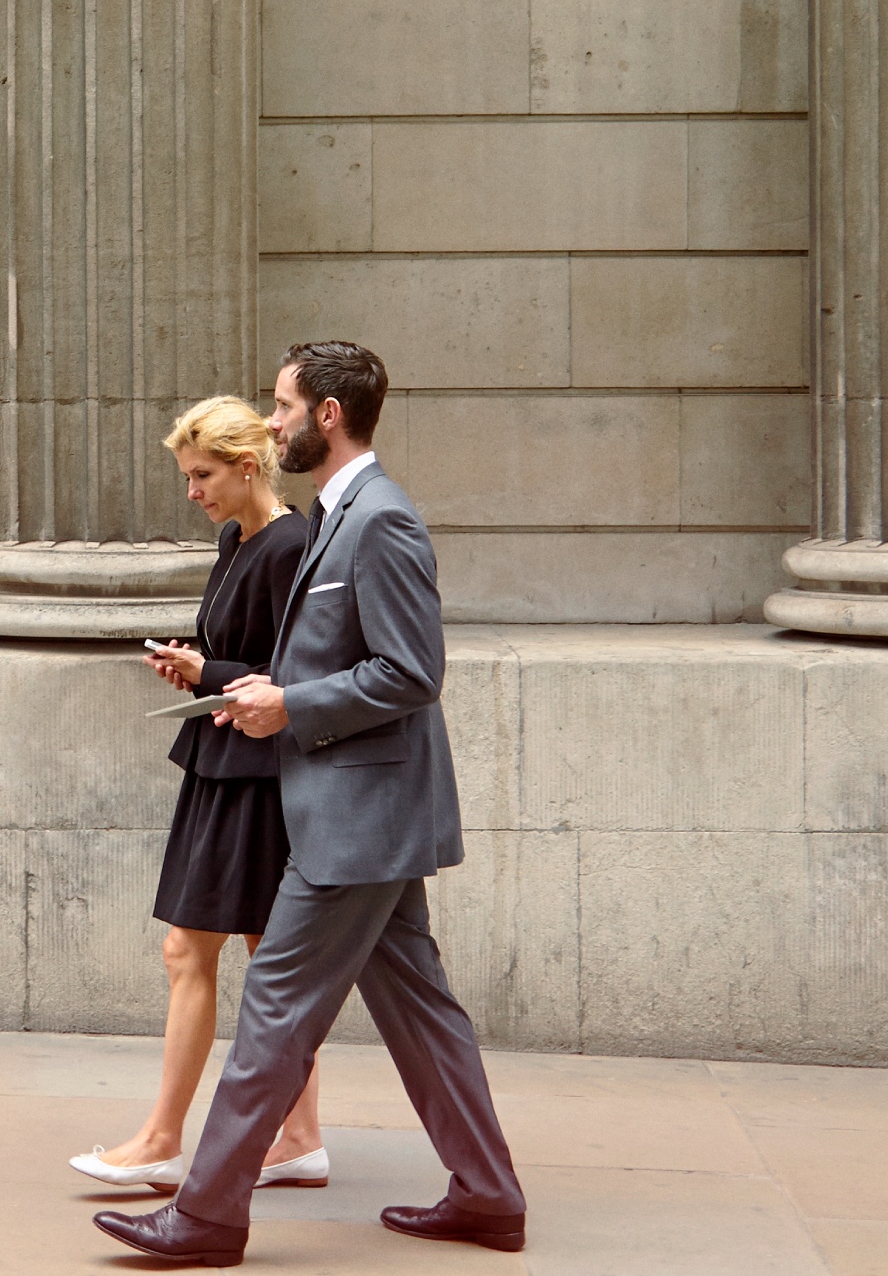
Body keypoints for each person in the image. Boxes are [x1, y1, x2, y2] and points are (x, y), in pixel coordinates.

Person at [93, 343, 526, 1266]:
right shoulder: (338, 516)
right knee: (421, 1014)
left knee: (277, 1007)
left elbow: (411, 673)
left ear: (328, 414)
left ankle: (205, 1215)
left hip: (357, 820)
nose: (274, 419)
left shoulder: (380, 520)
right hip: (360, 813)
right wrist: (240, 687)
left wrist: (290, 704)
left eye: (283, 405)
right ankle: (488, 1195)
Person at [69, 396, 327, 1195]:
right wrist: (197, 662)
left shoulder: (291, 544)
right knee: (256, 955)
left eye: (202, 474)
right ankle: (300, 1137)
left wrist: (204, 673)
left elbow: (295, 671)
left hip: (253, 769)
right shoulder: (235, 537)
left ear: (248, 465)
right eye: (188, 475)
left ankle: (160, 1139)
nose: (193, 492)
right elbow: (236, 647)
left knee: (197, 950)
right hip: (223, 760)